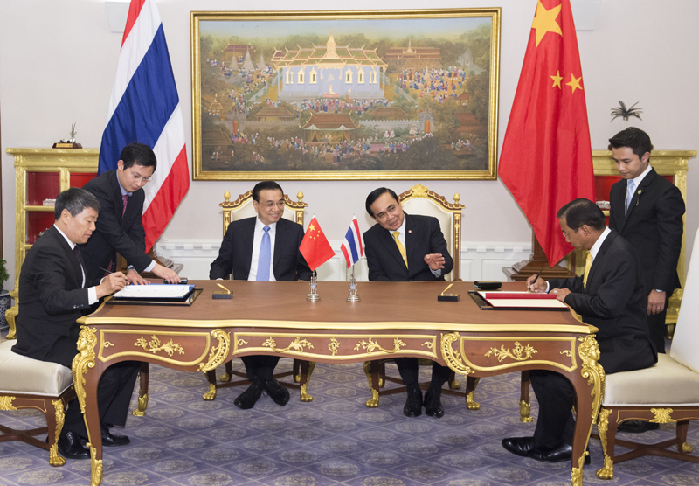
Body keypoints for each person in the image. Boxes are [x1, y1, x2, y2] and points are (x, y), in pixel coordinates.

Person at [502, 198, 657, 463]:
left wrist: (568, 298)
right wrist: (548, 286)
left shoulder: (619, 254)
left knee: (556, 374)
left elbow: (606, 306)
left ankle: (558, 444)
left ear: (584, 229)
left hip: (626, 343)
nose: (566, 238)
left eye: (567, 232)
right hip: (604, 336)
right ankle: (560, 442)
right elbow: (585, 284)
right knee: (541, 366)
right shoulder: (604, 247)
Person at [11, 188, 140, 460]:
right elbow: (54, 300)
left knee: (129, 356)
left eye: (94, 221)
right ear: (67, 216)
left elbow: (74, 287)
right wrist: (100, 290)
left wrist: (105, 285)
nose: (93, 228)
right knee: (105, 365)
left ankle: (98, 425)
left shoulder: (66, 244)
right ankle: (67, 434)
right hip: (46, 339)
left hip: (67, 328)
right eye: (89, 221)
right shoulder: (48, 250)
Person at [607, 128, 684, 433]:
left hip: (652, 285)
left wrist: (659, 288)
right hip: (623, 283)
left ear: (645, 157)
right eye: (616, 161)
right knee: (624, 343)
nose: (620, 167)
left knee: (649, 344)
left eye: (626, 161)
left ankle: (651, 412)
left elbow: (670, 245)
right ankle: (625, 405)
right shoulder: (617, 190)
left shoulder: (665, 192)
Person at [210, 181, 311, 409]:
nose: (277, 209)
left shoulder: (294, 231)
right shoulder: (238, 229)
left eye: (280, 203)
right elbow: (221, 263)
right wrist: (217, 283)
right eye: (269, 204)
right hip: (244, 297)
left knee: (272, 330)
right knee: (241, 329)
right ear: (255, 205)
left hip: (281, 299)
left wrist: (300, 286)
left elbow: (306, 268)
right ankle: (267, 382)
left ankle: (257, 384)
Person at [363, 187, 454, 418]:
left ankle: (435, 391)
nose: (390, 217)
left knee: (447, 336)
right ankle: (412, 390)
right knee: (401, 335)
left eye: (391, 208)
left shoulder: (428, 224)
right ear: (374, 218)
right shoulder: (372, 237)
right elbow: (376, 275)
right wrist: (398, 293)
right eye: (381, 215)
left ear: (399, 203)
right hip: (398, 301)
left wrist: (436, 267)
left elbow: (447, 262)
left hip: (432, 296)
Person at [80, 142, 180, 285]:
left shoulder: (138, 194)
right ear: (121, 165)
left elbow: (136, 232)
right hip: (84, 264)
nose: (139, 183)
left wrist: (133, 268)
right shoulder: (99, 190)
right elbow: (114, 234)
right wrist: (153, 266)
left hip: (107, 266)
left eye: (145, 178)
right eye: (135, 176)